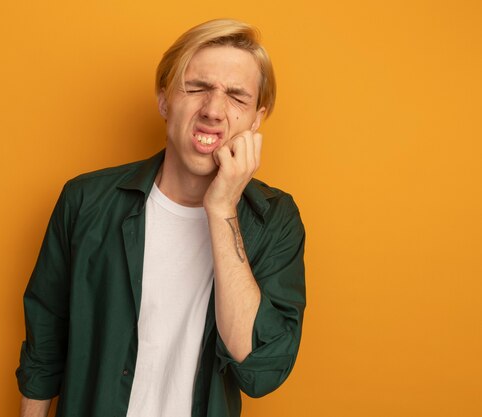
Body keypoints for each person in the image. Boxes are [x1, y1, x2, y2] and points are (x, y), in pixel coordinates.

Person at [16, 18, 306, 417]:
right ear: (164, 99)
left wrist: (221, 209)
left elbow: (260, 368)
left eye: (237, 97)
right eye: (197, 87)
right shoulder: (85, 201)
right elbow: (45, 337)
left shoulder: (275, 220)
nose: (214, 110)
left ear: (257, 119)